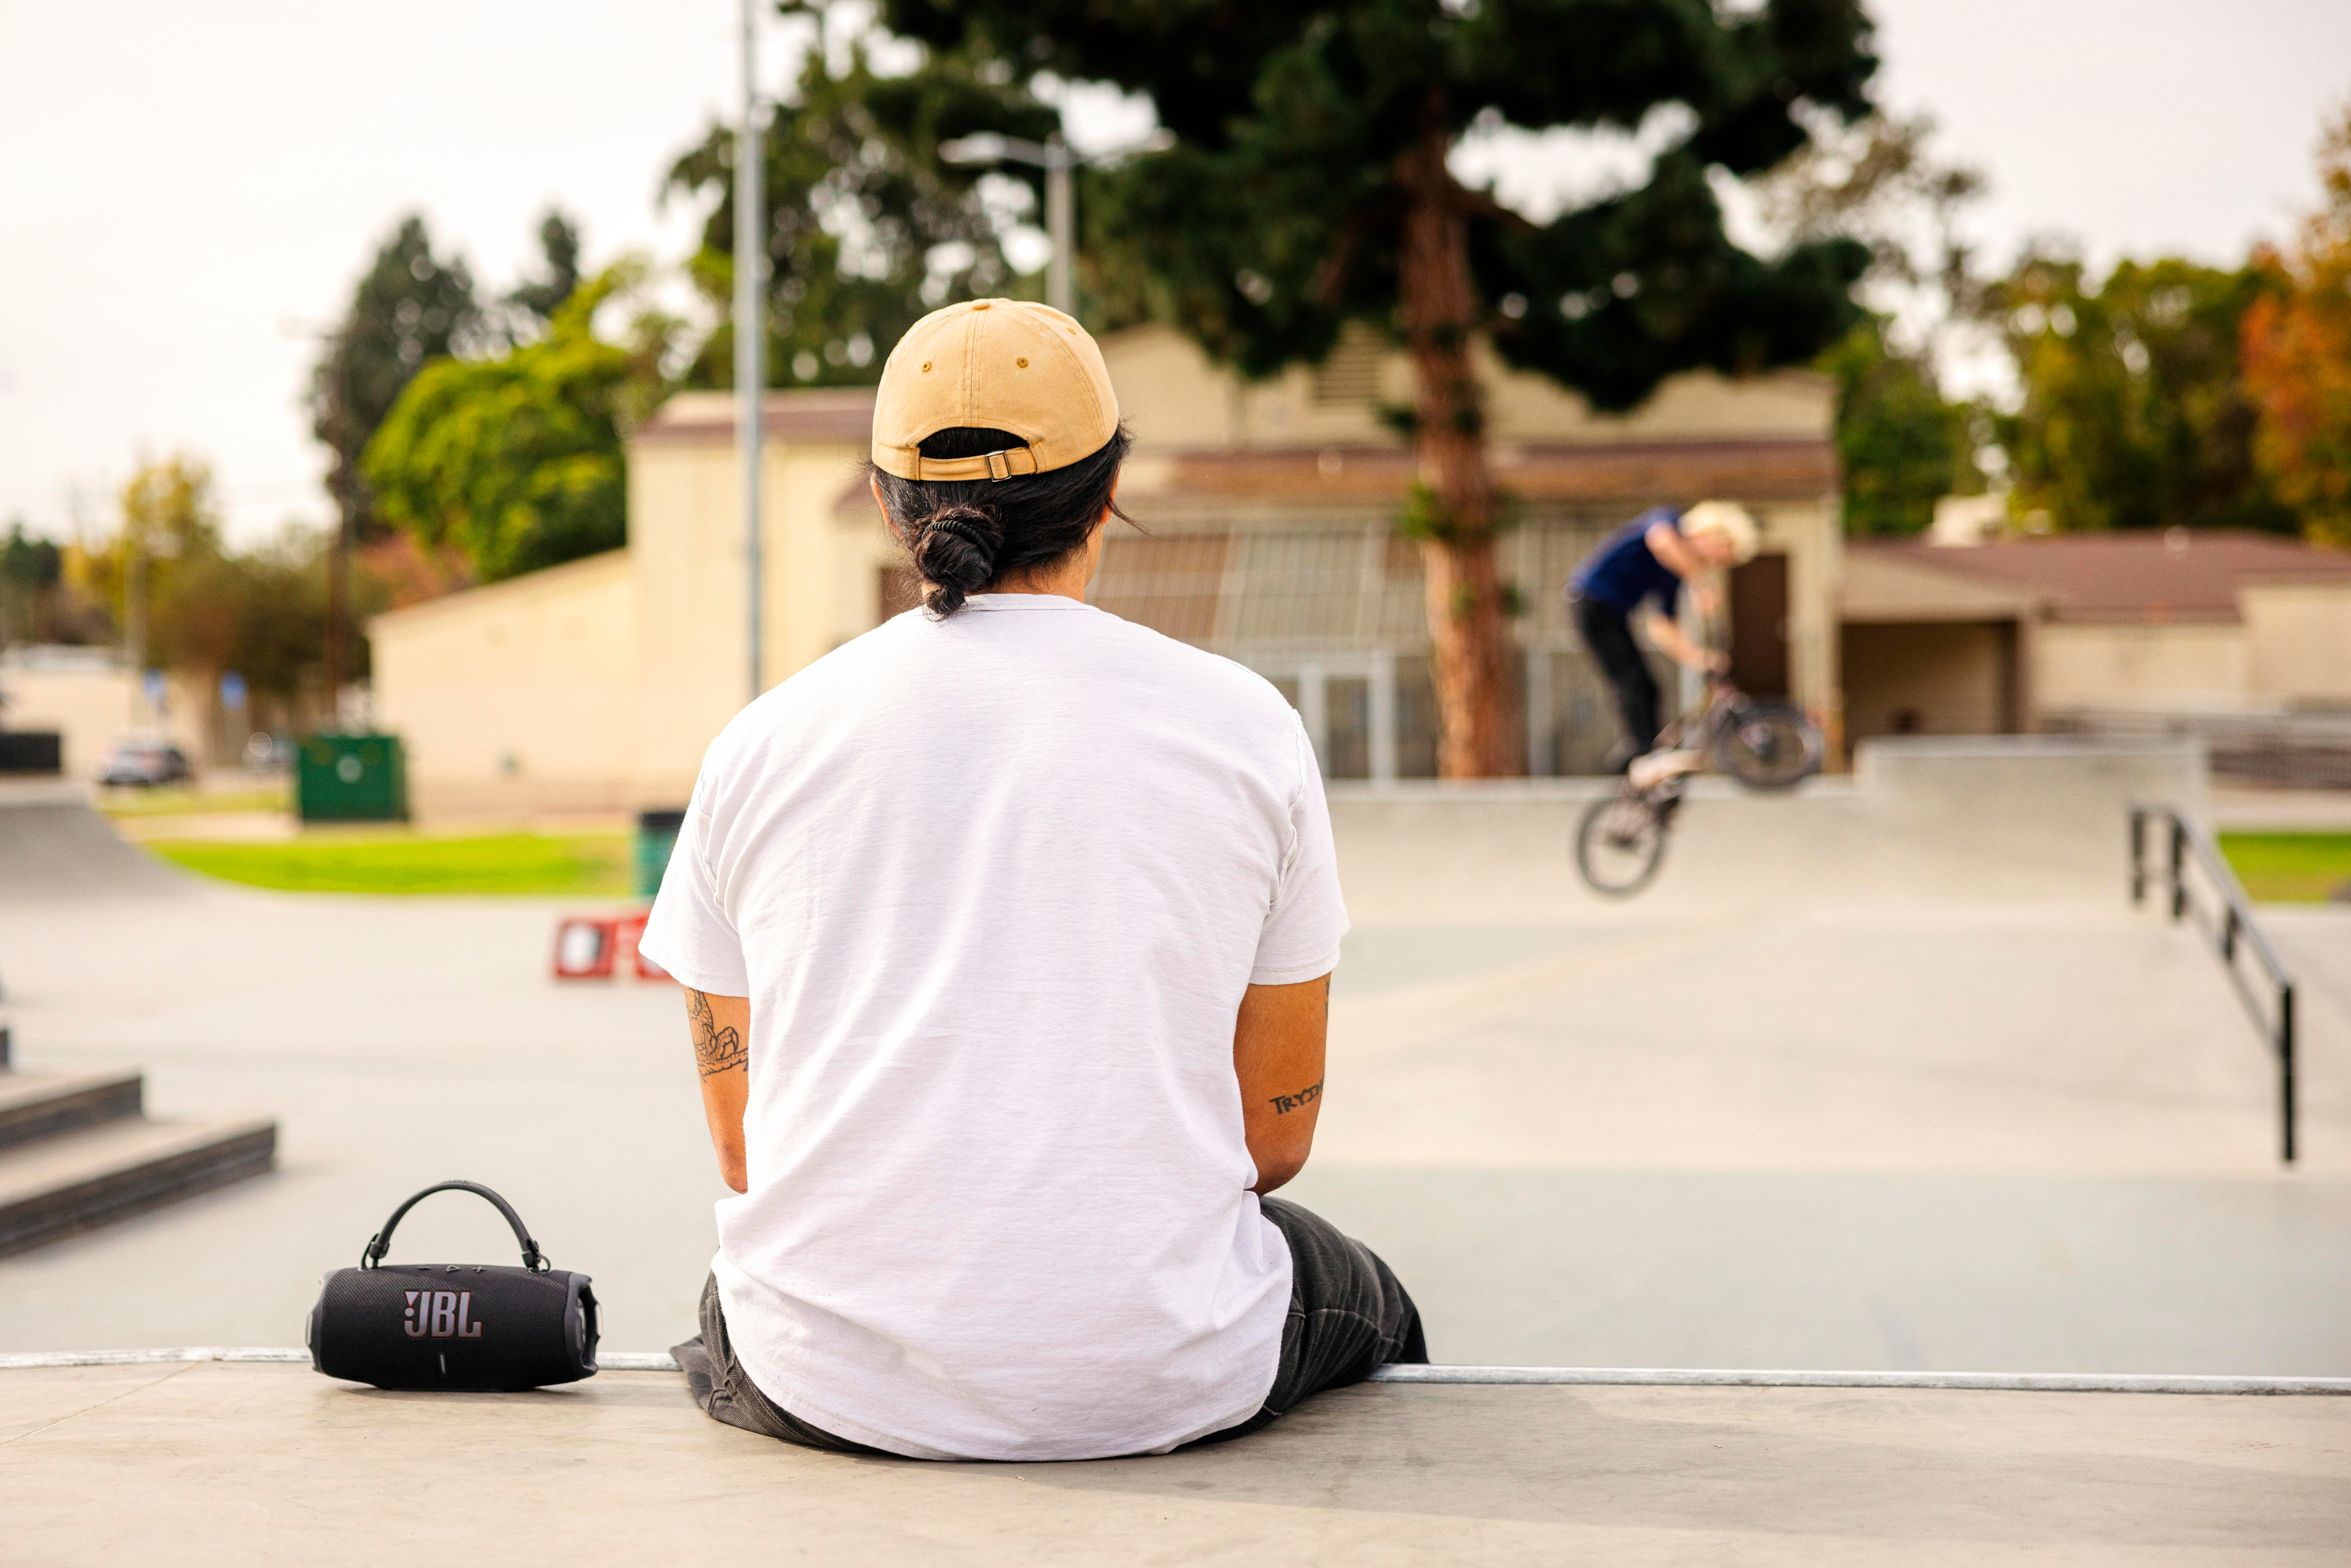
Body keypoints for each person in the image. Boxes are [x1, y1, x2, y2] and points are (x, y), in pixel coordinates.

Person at [642, 298, 1425, 1463]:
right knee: (1372, 1296)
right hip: (1167, 1372)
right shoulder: (1245, 726)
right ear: (1110, 490)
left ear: (882, 499)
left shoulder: (761, 742)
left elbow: (745, 1144)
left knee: (742, 1296)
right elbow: (1272, 1140)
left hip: (825, 1382)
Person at [1566, 500, 1760, 771]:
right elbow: (1661, 542)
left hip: (1613, 614)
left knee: (1648, 686)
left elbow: (1662, 627)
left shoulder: (1672, 577)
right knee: (1632, 681)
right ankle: (1646, 759)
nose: (1719, 564)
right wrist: (1699, 582)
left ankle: (1636, 753)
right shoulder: (1670, 521)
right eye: (1724, 555)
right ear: (1714, 535)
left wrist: (1699, 658)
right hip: (1591, 603)